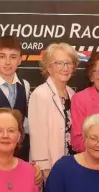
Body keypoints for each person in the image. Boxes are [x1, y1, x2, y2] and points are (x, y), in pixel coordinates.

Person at [29, 42, 78, 181]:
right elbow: (37, 136)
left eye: (68, 63)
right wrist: (45, 170)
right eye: (59, 63)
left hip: (70, 165)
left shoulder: (72, 94)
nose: (65, 68)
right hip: (49, 169)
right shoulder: (40, 94)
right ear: (49, 68)